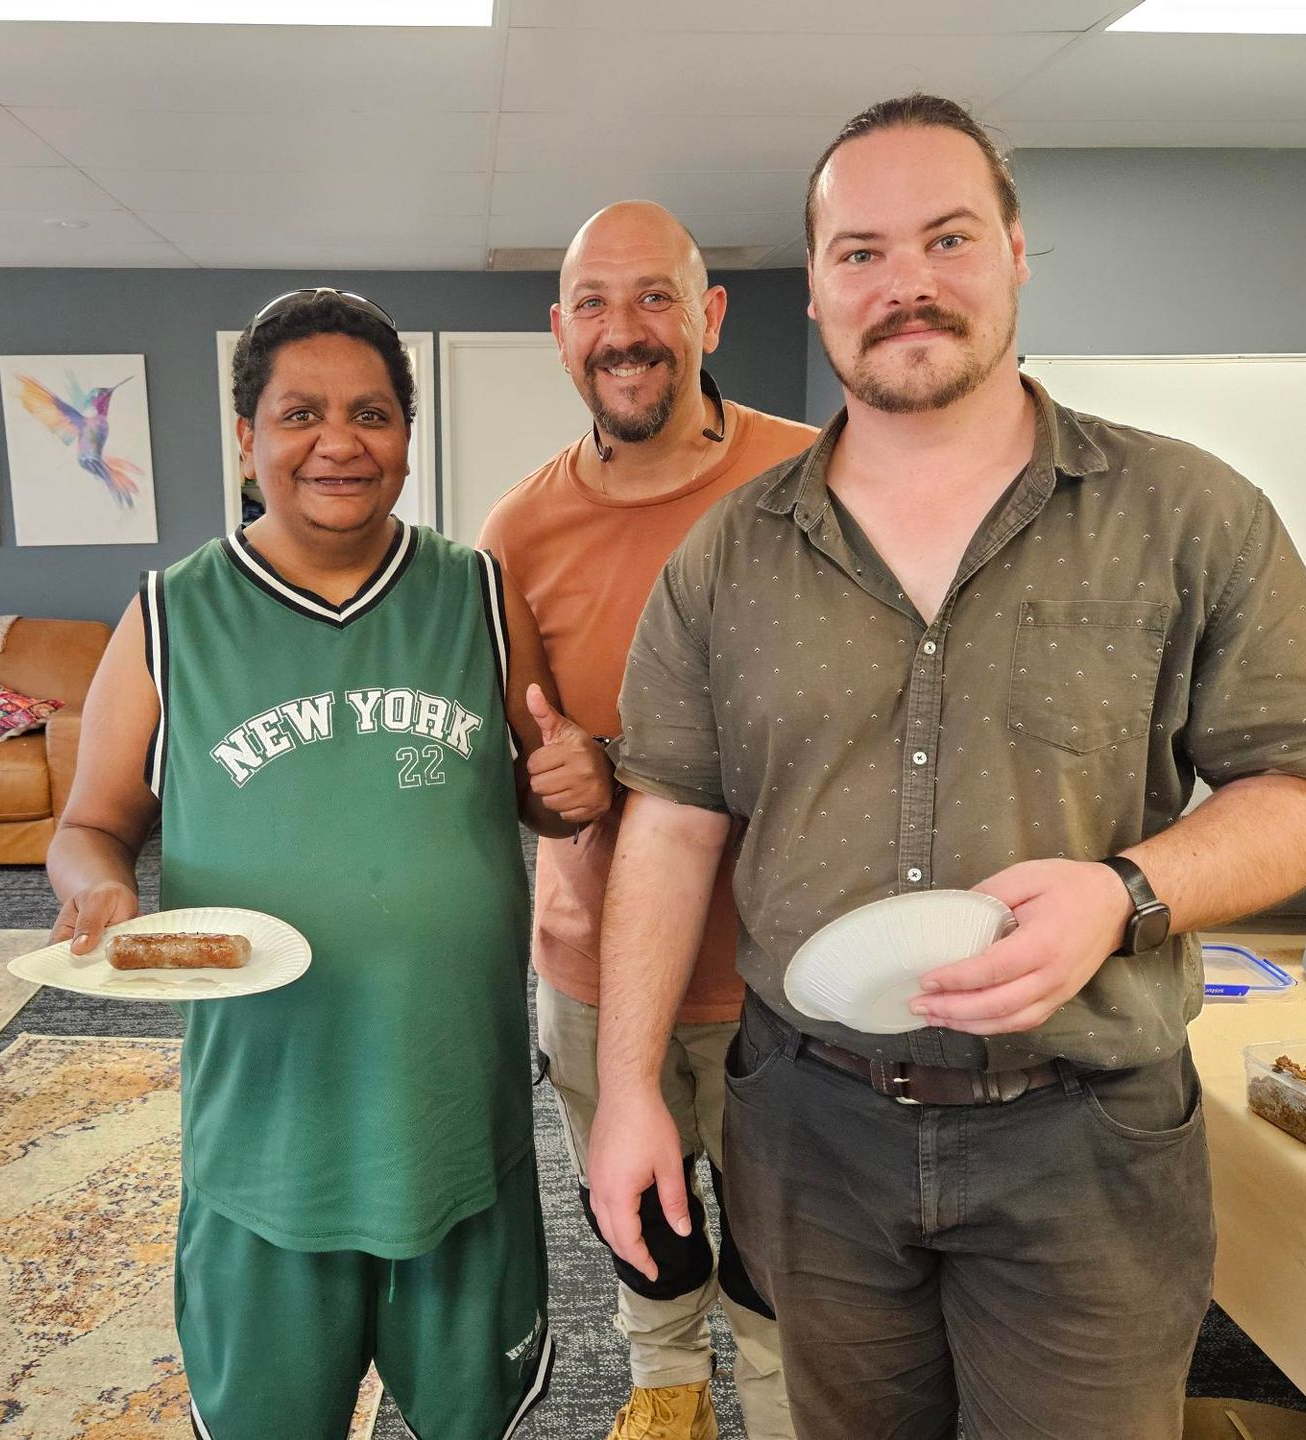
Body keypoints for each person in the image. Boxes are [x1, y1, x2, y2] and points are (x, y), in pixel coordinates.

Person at [585, 95, 1306, 1440]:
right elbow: (669, 832)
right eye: (860, 253)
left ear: (1017, 253)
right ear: (820, 288)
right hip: (813, 1132)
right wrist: (623, 1093)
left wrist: (1128, 891)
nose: (906, 284)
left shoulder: (1187, 516)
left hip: (1087, 1137)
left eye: (947, 238)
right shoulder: (725, 561)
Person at [46, 288, 613, 1440]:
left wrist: (578, 790)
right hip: (268, 1136)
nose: (339, 443)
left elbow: (537, 786)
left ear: (408, 432)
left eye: (372, 413)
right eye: (300, 413)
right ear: (248, 436)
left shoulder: (480, 593)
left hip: (455, 1118)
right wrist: (96, 883)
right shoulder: (170, 615)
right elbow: (89, 825)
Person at [478, 201, 811, 1440]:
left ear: (709, 314)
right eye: (595, 305)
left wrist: (635, 762)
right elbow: (524, 763)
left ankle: (780, 1408)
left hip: (782, 974)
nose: (626, 332)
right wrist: (543, 783)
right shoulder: (515, 531)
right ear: (560, 332)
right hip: (593, 967)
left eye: (655, 297)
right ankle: (662, 1390)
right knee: (642, 1220)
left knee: (784, 1253)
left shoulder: (812, 480)